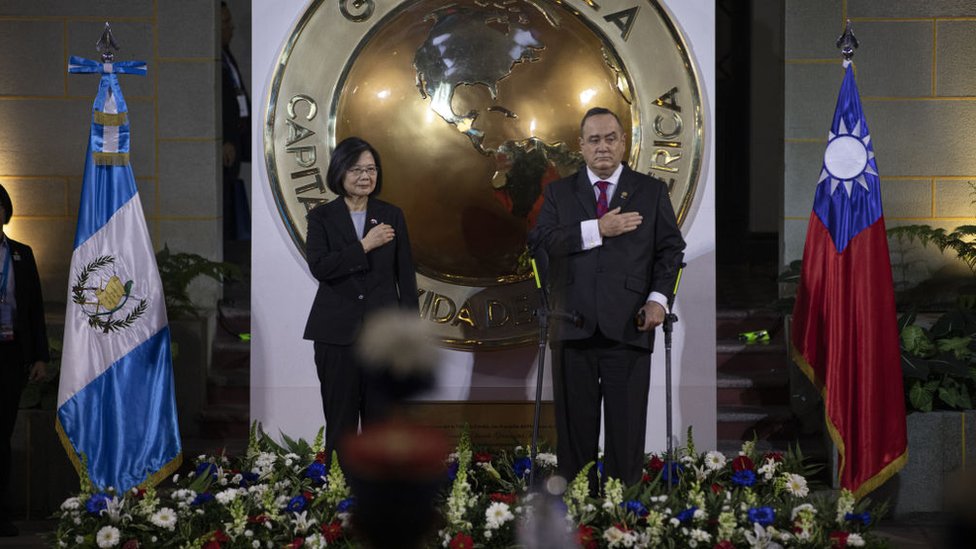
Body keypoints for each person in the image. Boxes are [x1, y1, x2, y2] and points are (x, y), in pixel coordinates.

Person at [528, 107, 685, 489]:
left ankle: (621, 520)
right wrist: (597, 228)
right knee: (575, 435)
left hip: (630, 327)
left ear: (624, 143)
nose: (603, 147)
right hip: (572, 328)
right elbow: (542, 241)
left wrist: (658, 301)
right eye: (594, 140)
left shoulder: (649, 191)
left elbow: (670, 251)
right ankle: (578, 516)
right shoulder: (559, 192)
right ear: (580, 146)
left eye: (610, 138)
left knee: (626, 432)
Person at [303, 137, 419, 463]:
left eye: (371, 169)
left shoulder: (391, 215)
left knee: (380, 421)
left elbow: (405, 278)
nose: (365, 176)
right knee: (340, 421)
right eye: (356, 169)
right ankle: (339, 490)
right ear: (340, 172)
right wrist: (365, 245)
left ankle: (375, 494)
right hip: (335, 335)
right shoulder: (322, 218)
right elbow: (321, 267)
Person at [0, 184, 49, 537]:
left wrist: (40, 357)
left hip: (10, 355)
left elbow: (34, 311)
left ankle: (1, 512)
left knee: (2, 436)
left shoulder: (21, 253)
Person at [221, 1, 251, 241]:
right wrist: (227, 139)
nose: (231, 28)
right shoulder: (214, 59)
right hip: (227, 144)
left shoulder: (227, 55)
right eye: (225, 22)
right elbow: (221, 106)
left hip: (238, 140)